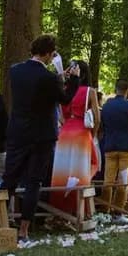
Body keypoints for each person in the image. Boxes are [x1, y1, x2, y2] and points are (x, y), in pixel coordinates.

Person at [4, 34, 80, 241]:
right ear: (48, 54)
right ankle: (24, 230)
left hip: (18, 131)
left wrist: (59, 77)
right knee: (34, 181)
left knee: (10, 178)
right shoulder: (48, 78)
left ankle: (0, 223)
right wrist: (73, 79)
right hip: (42, 134)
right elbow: (64, 98)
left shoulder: (15, 71)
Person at [50, 60, 101, 214]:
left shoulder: (65, 91)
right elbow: (97, 118)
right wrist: (93, 134)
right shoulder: (90, 91)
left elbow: (61, 117)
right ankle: (79, 209)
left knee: (62, 170)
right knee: (82, 169)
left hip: (65, 133)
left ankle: (59, 207)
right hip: (82, 132)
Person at [100, 78, 128, 220]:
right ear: (127, 91)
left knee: (108, 181)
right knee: (123, 181)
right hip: (127, 147)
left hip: (110, 146)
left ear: (115, 89)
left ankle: (104, 211)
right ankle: (118, 213)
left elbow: (103, 125)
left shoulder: (106, 106)